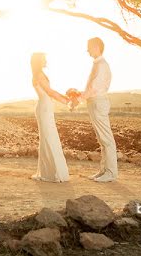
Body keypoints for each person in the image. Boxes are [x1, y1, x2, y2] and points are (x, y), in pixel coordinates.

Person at [76, 37, 118, 182]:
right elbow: (91, 87)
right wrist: (81, 95)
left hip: (98, 102)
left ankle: (111, 173)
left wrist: (79, 99)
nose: (87, 50)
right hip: (94, 102)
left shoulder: (101, 65)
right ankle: (104, 171)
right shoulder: (98, 64)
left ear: (96, 46)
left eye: (89, 47)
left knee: (107, 139)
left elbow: (94, 88)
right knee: (102, 140)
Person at [30, 52, 71, 182]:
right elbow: (50, 92)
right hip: (44, 107)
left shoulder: (38, 74)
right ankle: (51, 172)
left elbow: (50, 92)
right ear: (38, 61)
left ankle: (49, 171)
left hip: (45, 107)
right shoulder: (39, 75)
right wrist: (67, 101)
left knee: (49, 137)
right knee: (48, 137)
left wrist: (66, 98)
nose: (45, 60)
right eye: (43, 59)